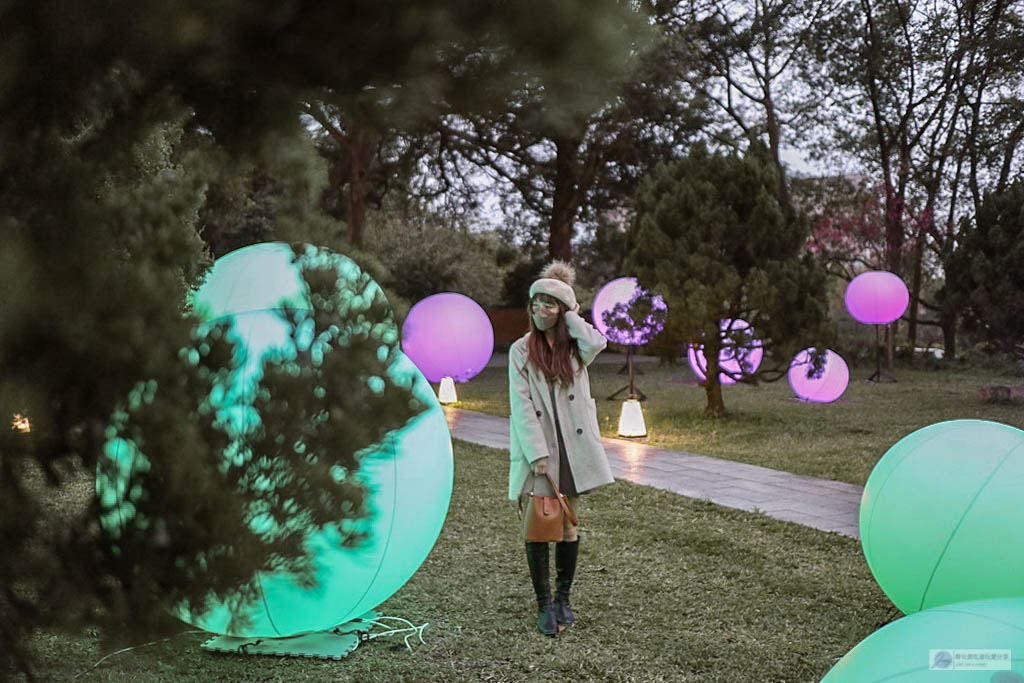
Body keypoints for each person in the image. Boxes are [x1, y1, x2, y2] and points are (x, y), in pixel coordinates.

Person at [508, 261, 614, 636]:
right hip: (541, 452)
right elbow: (521, 407)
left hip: (574, 448)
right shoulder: (520, 351)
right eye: (536, 302)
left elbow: (597, 341)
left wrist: (571, 320)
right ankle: (542, 606)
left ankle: (562, 598)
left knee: (568, 525)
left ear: (563, 312)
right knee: (539, 526)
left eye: (549, 304)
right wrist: (536, 453)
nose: (540, 310)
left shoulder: (575, 349)